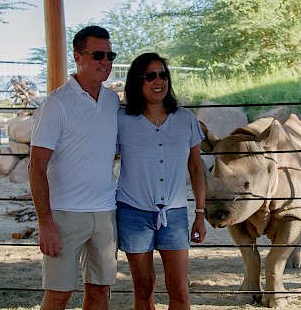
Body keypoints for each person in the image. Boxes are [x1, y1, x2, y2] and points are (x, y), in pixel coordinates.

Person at [29, 25, 120, 310]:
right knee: (59, 294)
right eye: (97, 55)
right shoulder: (57, 104)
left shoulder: (112, 101)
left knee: (100, 290)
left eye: (110, 55)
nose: (105, 61)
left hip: (105, 212)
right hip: (64, 215)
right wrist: (46, 224)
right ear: (77, 56)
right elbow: (35, 166)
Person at [116, 52, 207, 310]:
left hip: (175, 214)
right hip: (133, 214)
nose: (159, 81)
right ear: (137, 81)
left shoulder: (186, 119)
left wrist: (200, 214)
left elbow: (196, 167)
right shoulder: (121, 120)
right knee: (143, 288)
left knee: (179, 290)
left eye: (163, 74)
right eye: (150, 75)